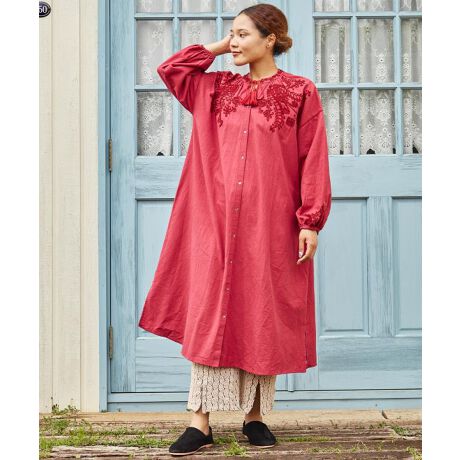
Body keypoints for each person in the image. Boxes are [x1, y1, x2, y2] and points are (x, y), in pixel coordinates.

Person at [137, 3, 332, 456]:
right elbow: (171, 69)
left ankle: (255, 417)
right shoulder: (215, 88)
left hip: (271, 224)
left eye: (244, 34)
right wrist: (225, 46)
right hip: (213, 223)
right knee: (210, 314)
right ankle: (199, 422)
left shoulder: (299, 91)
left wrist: (310, 221)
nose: (234, 41)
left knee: (262, 314)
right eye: (232, 34)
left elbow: (313, 157)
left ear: (271, 40)